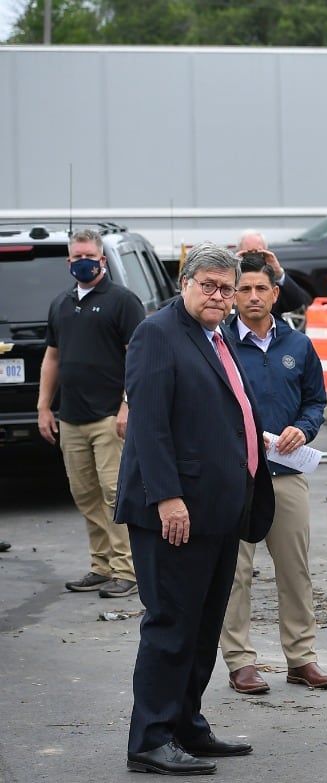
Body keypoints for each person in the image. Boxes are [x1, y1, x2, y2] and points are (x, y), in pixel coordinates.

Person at [116, 243, 275, 775]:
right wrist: (166, 497)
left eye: (227, 288)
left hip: (218, 512)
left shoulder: (215, 334)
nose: (219, 295)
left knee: (204, 627)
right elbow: (149, 423)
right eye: (208, 284)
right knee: (172, 625)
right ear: (184, 283)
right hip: (174, 514)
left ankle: (187, 725)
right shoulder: (157, 333)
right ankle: (151, 740)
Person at [219, 252, 327, 696]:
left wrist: (302, 429)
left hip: (287, 474)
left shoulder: (298, 346)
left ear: (275, 293)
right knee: (236, 572)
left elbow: (314, 402)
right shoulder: (220, 344)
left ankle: (301, 658)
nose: (252, 296)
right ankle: (240, 661)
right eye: (243, 289)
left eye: (260, 288)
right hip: (236, 477)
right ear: (234, 297)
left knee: (295, 570)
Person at [39, 228, 144, 599]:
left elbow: (137, 356)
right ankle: (101, 565)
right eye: (76, 256)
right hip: (71, 417)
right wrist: (43, 408)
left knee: (115, 493)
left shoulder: (122, 301)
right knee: (85, 494)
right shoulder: (61, 304)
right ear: (68, 262)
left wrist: (127, 404)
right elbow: (52, 357)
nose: (83, 261)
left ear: (102, 259)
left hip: (108, 418)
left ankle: (127, 570)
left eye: (89, 255)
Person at [235, 230, 310, 317]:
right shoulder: (231, 279)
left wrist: (279, 274)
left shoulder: (270, 281)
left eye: (258, 253)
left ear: (266, 252)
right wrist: (232, 269)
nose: (254, 297)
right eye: (248, 253)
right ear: (239, 253)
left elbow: (297, 302)